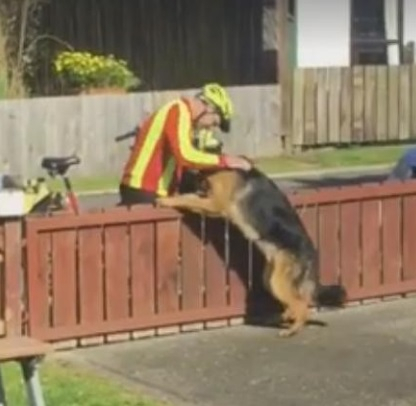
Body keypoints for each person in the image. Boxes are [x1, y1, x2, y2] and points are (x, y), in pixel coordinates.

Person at [119, 83, 252, 205]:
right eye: (214, 122)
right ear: (209, 108)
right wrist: (226, 161)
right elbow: (185, 155)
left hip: (152, 190)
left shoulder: (184, 117)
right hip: (143, 189)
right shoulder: (177, 110)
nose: (210, 128)